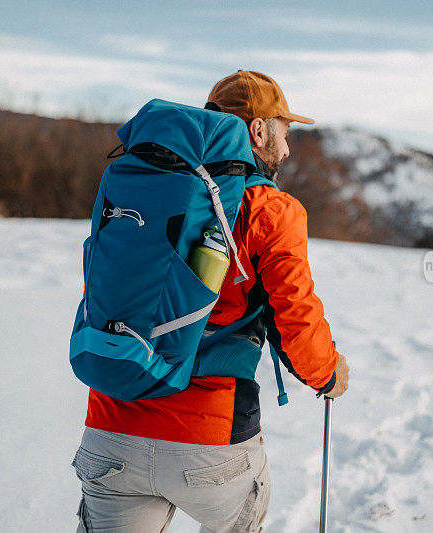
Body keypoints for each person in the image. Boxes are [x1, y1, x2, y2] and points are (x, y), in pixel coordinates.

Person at [72, 70, 350, 532]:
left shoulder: (144, 188)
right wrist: (329, 373)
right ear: (259, 131)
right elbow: (295, 318)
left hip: (112, 425)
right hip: (210, 439)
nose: (285, 149)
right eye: (283, 133)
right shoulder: (271, 209)